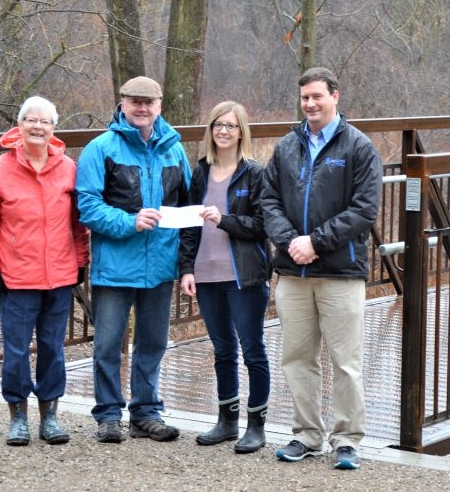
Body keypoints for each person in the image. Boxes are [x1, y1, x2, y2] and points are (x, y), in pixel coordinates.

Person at [262, 67, 382, 470]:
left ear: (335, 96)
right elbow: (268, 201)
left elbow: (364, 210)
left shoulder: (359, 147)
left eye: (317, 96)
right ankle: (307, 435)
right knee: (297, 358)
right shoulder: (286, 147)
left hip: (340, 271)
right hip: (292, 272)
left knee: (345, 361)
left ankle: (347, 440)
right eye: (304, 98)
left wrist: (316, 242)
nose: (310, 104)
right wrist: (290, 242)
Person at [76, 76, 192, 443]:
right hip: (115, 266)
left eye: (149, 102)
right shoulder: (101, 148)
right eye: (134, 101)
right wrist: (130, 221)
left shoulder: (174, 149)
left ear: (160, 106)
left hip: (160, 266)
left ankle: (145, 412)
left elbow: (189, 205)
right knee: (108, 344)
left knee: (153, 342)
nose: (142, 108)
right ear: (122, 103)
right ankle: (109, 414)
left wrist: (189, 259)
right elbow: (87, 206)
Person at [0, 96, 90, 446]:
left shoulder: (69, 168)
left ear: (54, 128)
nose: (37, 126)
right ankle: (18, 416)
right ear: (19, 125)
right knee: (17, 350)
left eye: (45, 121)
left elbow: (78, 222)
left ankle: (50, 416)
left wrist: (81, 260)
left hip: (59, 275)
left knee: (54, 349)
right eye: (30, 120)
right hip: (17, 276)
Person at [179, 101, 271, 454]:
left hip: (243, 276)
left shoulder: (254, 173)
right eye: (218, 124)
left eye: (231, 126)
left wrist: (226, 218)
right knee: (222, 350)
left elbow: (263, 225)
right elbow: (189, 224)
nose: (224, 131)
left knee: (253, 350)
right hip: (206, 274)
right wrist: (186, 268)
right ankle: (227, 421)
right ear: (211, 130)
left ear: (241, 131)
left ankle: (256, 425)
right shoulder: (200, 171)